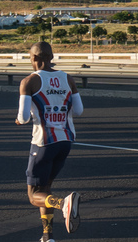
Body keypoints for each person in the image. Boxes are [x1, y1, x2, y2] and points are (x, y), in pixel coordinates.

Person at [16, 42, 81, 242]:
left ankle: (63, 204)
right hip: (65, 141)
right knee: (45, 190)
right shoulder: (67, 78)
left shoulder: (29, 81)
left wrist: (19, 119)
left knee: (34, 194)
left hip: (43, 143)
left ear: (34, 58)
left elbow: (24, 117)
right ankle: (47, 236)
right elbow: (78, 111)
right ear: (51, 57)